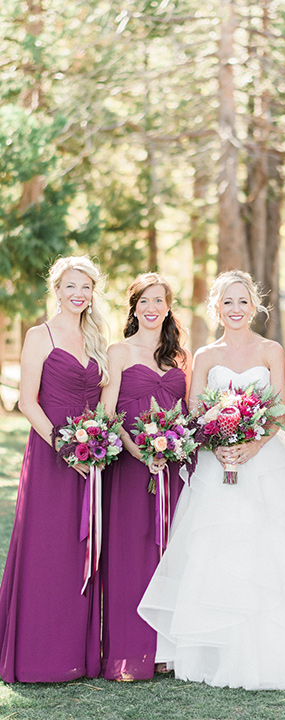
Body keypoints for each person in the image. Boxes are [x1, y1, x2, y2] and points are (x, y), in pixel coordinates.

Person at [138, 269, 285, 690]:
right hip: (218, 463)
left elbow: (283, 407)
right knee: (217, 549)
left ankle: (274, 650)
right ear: (216, 307)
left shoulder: (271, 349)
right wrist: (217, 443)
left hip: (265, 462)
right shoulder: (205, 355)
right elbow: (196, 408)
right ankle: (215, 651)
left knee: (267, 550)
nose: (235, 310)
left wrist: (252, 446)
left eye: (243, 302)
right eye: (227, 302)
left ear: (254, 306)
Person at [0, 255, 109, 683]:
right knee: (46, 549)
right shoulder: (38, 335)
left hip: (94, 456)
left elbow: (104, 397)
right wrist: (67, 447)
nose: (78, 295)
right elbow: (28, 401)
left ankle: (74, 656)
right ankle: (35, 656)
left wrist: (97, 442)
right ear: (56, 289)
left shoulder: (97, 336)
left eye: (85, 287)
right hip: (51, 454)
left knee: (79, 551)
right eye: (70, 286)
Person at [101, 273, 192, 681]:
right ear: (134, 306)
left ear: (168, 307)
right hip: (131, 465)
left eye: (159, 301)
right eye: (144, 301)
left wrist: (173, 447)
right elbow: (108, 412)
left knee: (170, 553)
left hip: (171, 469)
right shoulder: (117, 352)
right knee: (130, 554)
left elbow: (186, 413)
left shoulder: (179, 357)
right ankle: (130, 650)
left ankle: (167, 651)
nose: (152, 308)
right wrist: (138, 450)